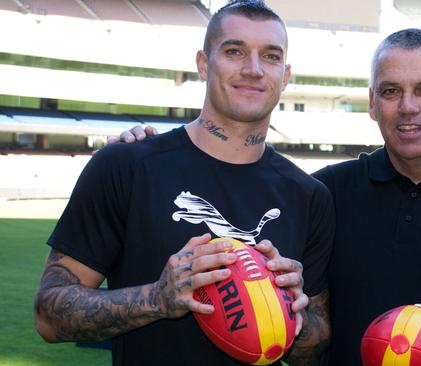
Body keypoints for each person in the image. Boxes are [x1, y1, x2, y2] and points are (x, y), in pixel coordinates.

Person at [116, 28, 421, 365]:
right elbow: (238, 208)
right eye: (391, 91)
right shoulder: (323, 192)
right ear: (373, 103)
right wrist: (157, 150)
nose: (409, 107)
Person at [33, 2, 334, 366]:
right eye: (234, 51)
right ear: (204, 63)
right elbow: (49, 316)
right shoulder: (125, 166)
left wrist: (294, 313)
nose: (253, 70)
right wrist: (158, 299)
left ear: (285, 76)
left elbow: (313, 348)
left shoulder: (308, 196)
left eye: (270, 57)